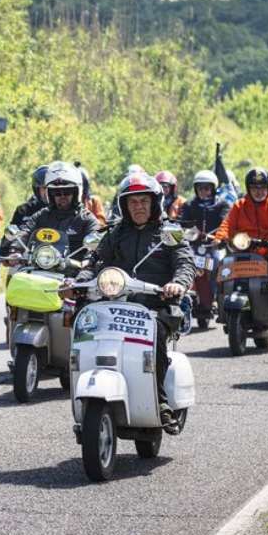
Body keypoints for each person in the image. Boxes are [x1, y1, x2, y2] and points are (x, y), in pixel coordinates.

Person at [83, 170, 194, 429]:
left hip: (156, 307)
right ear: (124, 205)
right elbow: (96, 262)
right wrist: (78, 280)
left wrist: (177, 284)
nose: (139, 206)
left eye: (144, 201)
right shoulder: (115, 233)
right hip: (116, 306)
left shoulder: (169, 232)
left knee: (154, 333)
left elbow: (185, 262)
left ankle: (161, 400)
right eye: (133, 202)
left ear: (155, 203)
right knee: (86, 321)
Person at [212, 168, 268, 328]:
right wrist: (219, 238)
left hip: (267, 253)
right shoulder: (239, 205)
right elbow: (227, 224)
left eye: (262, 187)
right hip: (242, 252)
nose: (258, 191)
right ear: (248, 188)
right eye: (254, 187)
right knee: (219, 268)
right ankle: (221, 309)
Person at [3, 161, 99, 259]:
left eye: (67, 191)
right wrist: (16, 249)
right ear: (50, 194)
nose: (62, 196)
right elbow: (26, 231)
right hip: (39, 266)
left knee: (87, 274)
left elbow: (96, 242)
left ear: (76, 192)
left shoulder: (86, 219)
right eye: (56, 192)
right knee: (18, 274)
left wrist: (88, 259)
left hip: (73, 271)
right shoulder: (42, 215)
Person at [177, 170, 231, 234]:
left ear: (213, 189)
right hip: (193, 241)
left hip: (217, 240)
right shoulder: (189, 205)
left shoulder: (223, 205)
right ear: (196, 189)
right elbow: (183, 224)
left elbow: (225, 224)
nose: (203, 191)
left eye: (206, 188)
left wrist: (219, 235)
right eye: (200, 188)